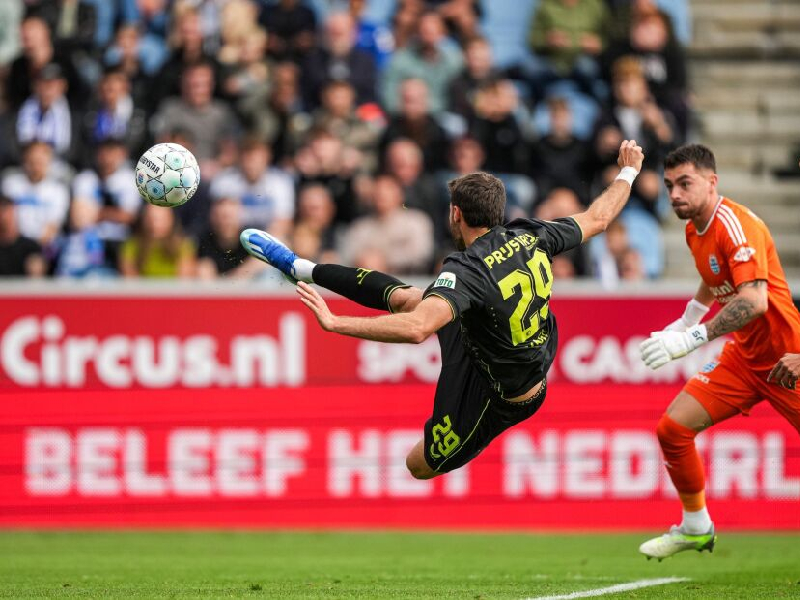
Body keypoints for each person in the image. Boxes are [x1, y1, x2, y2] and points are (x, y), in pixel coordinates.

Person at [240, 140, 644, 480]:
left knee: (418, 464)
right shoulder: (531, 233)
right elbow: (599, 217)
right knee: (412, 297)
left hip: (500, 394)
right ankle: (301, 267)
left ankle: (304, 269)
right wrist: (627, 171)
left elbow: (417, 330)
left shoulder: (467, 269)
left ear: (456, 214)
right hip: (497, 336)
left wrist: (335, 322)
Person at [637, 144, 800, 560]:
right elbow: (713, 278)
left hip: (788, 359)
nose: (674, 194)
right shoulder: (694, 228)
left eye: (685, 183)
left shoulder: (735, 225)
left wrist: (690, 340)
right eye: (670, 185)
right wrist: (687, 318)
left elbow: (755, 301)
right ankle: (696, 527)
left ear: (712, 182)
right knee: (672, 430)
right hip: (745, 359)